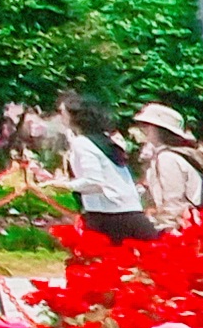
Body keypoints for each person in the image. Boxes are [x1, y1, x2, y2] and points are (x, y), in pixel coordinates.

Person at [58, 93, 157, 239]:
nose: (60, 116)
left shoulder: (82, 143)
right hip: (131, 211)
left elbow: (94, 181)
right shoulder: (104, 140)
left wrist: (62, 186)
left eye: (62, 112)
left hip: (106, 214)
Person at [130, 102, 203, 227]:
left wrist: (164, 228)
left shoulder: (167, 158)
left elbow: (173, 202)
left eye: (146, 125)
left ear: (158, 129)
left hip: (182, 226)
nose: (143, 129)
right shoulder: (180, 154)